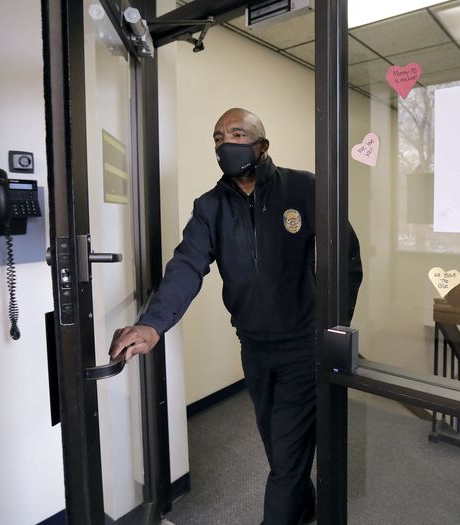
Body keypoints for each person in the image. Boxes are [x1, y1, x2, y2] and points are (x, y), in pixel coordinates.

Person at [109, 107, 363, 525]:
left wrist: (334, 326)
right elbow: (187, 266)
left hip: (304, 344)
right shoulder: (210, 207)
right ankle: (307, 508)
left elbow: (346, 257)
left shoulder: (304, 189)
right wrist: (153, 323)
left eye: (237, 134)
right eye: (218, 137)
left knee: (286, 455)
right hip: (254, 348)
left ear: (261, 145)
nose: (226, 143)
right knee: (280, 447)